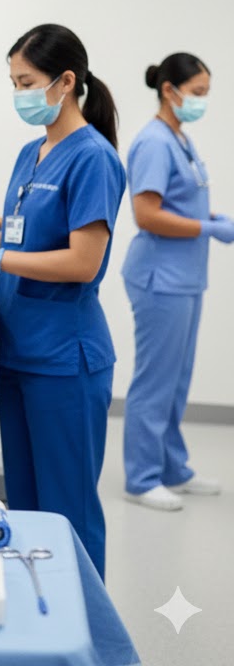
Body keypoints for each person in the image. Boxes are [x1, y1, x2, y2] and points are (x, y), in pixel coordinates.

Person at [0, 24, 125, 580]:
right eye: (13, 82)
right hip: (18, 354)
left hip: (65, 360)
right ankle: (39, 616)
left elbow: (83, 261)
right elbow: (18, 234)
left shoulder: (93, 158)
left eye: (27, 82)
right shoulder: (30, 154)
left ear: (66, 82)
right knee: (29, 509)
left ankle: (84, 625)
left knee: (68, 513)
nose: (19, 94)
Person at [121, 53, 230, 511]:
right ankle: (142, 478)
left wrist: (210, 217)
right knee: (155, 381)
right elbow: (146, 214)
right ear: (169, 90)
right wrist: (208, 228)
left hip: (185, 277)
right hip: (159, 278)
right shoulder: (154, 142)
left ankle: (173, 468)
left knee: (177, 380)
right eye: (197, 92)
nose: (202, 101)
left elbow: (179, 203)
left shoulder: (180, 139)